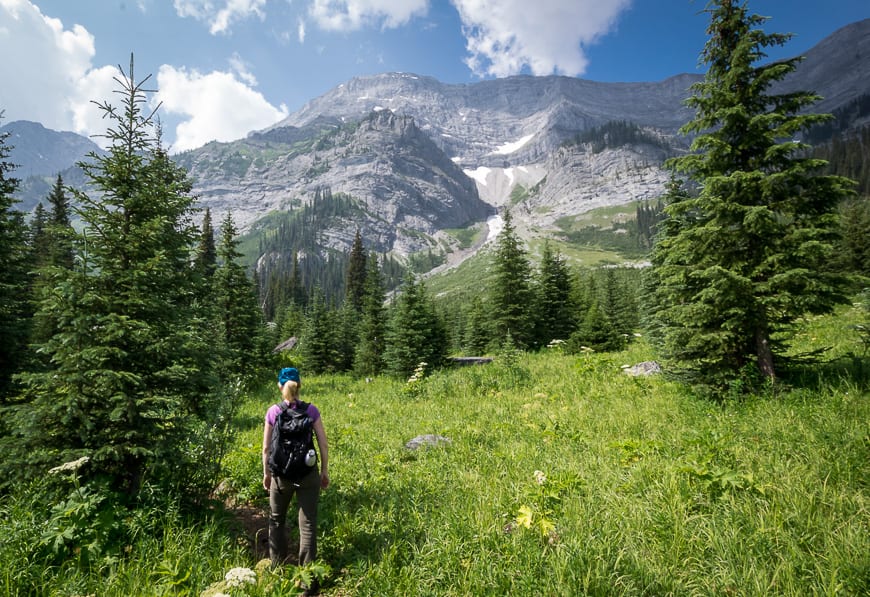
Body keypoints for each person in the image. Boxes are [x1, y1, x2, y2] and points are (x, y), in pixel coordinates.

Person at [263, 367, 330, 573]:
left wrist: (267, 474)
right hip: (307, 474)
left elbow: (266, 448)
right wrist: (324, 471)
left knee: (276, 520)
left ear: (279, 386)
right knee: (308, 524)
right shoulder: (311, 411)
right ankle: (307, 579)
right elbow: (323, 444)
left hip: (281, 476)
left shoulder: (274, 411)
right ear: (299, 385)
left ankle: (278, 570)